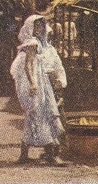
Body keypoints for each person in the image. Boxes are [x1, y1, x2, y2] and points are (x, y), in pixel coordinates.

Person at [10, 15, 66, 166]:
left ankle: (24, 154)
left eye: (42, 26)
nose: (40, 29)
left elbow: (54, 66)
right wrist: (33, 83)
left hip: (44, 83)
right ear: (31, 28)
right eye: (37, 26)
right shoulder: (33, 43)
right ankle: (51, 155)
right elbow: (28, 65)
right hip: (37, 84)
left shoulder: (44, 46)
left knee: (35, 116)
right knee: (41, 115)